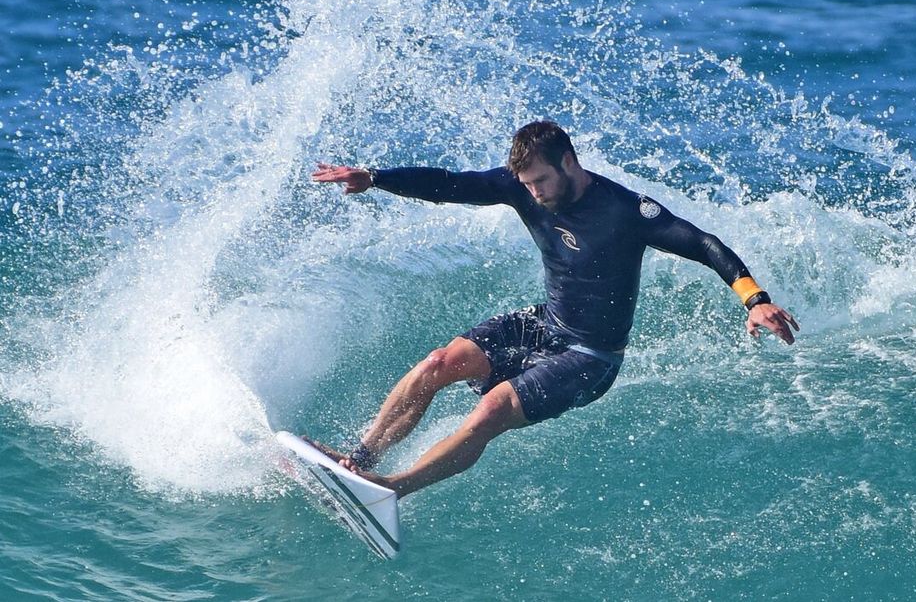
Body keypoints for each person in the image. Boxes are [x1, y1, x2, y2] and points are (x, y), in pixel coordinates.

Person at [309, 121, 798, 498]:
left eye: (541, 180)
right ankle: (358, 458)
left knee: (491, 409)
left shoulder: (625, 211)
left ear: (568, 162)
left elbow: (703, 243)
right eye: (526, 184)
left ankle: (391, 488)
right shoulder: (523, 187)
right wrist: (375, 178)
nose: (534, 193)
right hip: (545, 323)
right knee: (439, 363)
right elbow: (449, 184)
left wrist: (755, 300)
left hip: (592, 356)